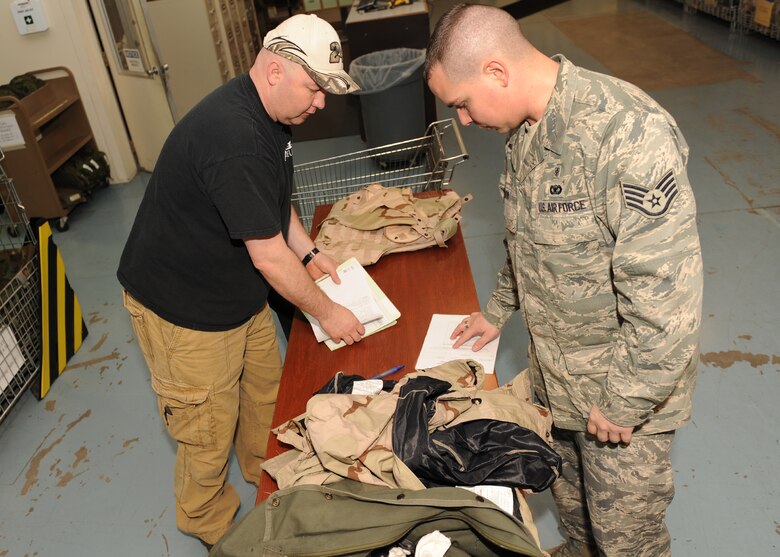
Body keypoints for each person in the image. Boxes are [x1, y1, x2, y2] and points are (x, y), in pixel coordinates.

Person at [425, 4, 703, 557]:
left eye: (462, 104)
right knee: (577, 516)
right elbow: (524, 240)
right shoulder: (526, 133)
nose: (466, 121)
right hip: (559, 381)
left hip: (620, 400)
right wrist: (498, 308)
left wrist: (624, 403)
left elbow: (666, 301)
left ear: (497, 72)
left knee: (627, 540)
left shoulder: (626, 132)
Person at [117, 14, 365, 549]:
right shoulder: (235, 137)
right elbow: (271, 259)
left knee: (264, 396)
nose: (320, 103)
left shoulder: (271, 115)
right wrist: (328, 311)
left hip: (235, 292)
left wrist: (312, 250)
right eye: (314, 88)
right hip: (183, 309)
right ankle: (212, 525)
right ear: (274, 70)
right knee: (206, 431)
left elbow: (274, 206)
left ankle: (263, 476)